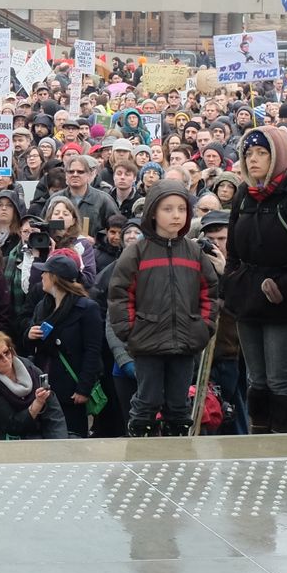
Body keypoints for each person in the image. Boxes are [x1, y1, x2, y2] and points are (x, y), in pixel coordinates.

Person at [222, 127, 287, 434]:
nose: (253, 159)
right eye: (248, 153)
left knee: (280, 377)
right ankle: (259, 442)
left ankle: (284, 445)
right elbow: (232, 250)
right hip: (247, 299)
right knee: (256, 378)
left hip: (283, 301)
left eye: (262, 153)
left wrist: (282, 287)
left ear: (277, 155)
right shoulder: (244, 194)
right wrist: (232, 282)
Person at [109, 183, 217, 437]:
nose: (176, 215)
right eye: (168, 209)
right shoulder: (137, 252)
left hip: (185, 342)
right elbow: (120, 294)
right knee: (147, 401)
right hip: (148, 343)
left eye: (181, 209)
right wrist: (131, 331)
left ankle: (178, 456)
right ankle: (141, 453)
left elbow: (210, 292)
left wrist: (203, 327)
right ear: (153, 213)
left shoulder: (193, 252)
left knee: (179, 405)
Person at [26, 253, 108, 437]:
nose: (41, 276)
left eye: (45, 273)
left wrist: (83, 388)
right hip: (45, 384)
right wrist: (29, 335)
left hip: (71, 388)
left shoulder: (87, 308)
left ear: (55, 278)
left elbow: (93, 351)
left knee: (72, 436)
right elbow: (31, 343)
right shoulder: (43, 305)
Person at [0, 330, 67, 440]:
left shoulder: (32, 370)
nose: (6, 359)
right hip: (7, 443)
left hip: (40, 437)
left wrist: (58, 442)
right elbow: (12, 426)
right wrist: (37, 404)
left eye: (7, 352)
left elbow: (54, 412)